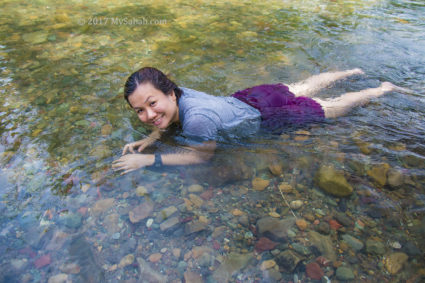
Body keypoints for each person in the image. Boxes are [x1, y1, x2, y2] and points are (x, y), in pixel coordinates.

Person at [112, 66, 400, 174]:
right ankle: (349, 72)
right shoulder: (180, 94)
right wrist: (150, 138)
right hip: (250, 97)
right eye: (139, 110)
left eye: (152, 104)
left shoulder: (197, 120)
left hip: (268, 116)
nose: (148, 115)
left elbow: (201, 158)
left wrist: (148, 160)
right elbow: (166, 120)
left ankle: (382, 89)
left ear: (170, 94)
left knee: (331, 108)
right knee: (303, 86)